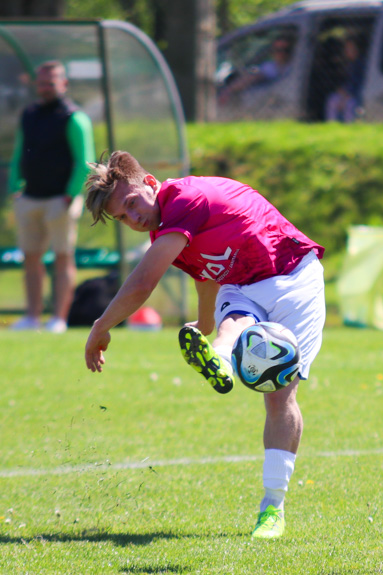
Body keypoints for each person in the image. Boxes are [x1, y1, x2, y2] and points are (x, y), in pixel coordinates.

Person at [82, 151, 326, 539]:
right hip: (243, 285)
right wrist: (206, 322)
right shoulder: (165, 225)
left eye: (131, 205)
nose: (133, 218)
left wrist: (100, 326)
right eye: (122, 217)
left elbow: (144, 281)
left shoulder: (183, 200)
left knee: (280, 395)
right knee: (234, 323)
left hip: (294, 277)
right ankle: (221, 357)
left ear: (149, 183)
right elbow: (207, 272)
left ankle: (273, 506)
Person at [7, 61, 95, 333]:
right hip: (30, 197)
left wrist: (69, 196)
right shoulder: (30, 114)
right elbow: (19, 153)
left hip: (60, 200)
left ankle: (58, 318)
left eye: (52, 83)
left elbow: (84, 162)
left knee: (62, 257)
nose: (46, 87)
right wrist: (15, 188)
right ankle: (32, 316)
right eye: (42, 82)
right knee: (31, 258)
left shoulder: (74, 117)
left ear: (63, 85)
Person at [218, 35, 295, 105]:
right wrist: (229, 90)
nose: (282, 53)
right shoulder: (269, 66)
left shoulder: (294, 66)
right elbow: (253, 77)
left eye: (286, 50)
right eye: (278, 50)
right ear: (272, 51)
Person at [325, 38, 364, 123]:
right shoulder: (349, 63)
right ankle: (332, 125)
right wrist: (341, 90)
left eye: (350, 48)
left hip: (357, 94)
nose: (346, 51)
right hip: (347, 93)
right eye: (346, 48)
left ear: (357, 49)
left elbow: (358, 83)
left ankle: (349, 126)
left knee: (350, 104)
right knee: (332, 99)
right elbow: (346, 81)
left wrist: (345, 96)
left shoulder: (361, 64)